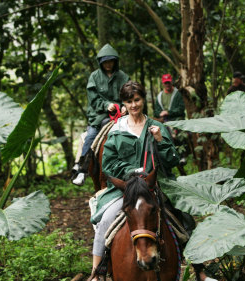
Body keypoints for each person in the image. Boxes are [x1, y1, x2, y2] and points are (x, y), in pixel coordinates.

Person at [88, 81, 216, 281]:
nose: (134, 105)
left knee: (183, 217)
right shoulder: (116, 130)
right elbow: (108, 165)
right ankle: (97, 272)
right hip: (126, 189)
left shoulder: (157, 127)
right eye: (129, 101)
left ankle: (200, 271)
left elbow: (172, 160)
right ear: (124, 103)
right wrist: (133, 173)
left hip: (155, 185)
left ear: (143, 100)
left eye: (137, 100)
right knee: (106, 220)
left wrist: (160, 140)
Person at [72, 43, 130, 186]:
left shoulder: (123, 76)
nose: (108, 64)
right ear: (101, 63)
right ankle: (82, 169)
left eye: (111, 61)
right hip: (99, 115)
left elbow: (129, 94)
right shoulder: (94, 77)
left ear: (115, 61)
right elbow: (93, 99)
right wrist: (106, 105)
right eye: (105, 62)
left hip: (121, 114)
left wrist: (124, 105)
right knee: (91, 136)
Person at [154, 73, 188, 165]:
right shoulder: (159, 96)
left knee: (177, 135)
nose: (167, 85)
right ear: (163, 83)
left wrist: (169, 112)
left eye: (168, 83)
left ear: (171, 82)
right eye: (165, 83)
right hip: (163, 121)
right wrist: (160, 113)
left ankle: (182, 156)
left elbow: (181, 109)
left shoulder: (177, 94)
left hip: (176, 120)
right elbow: (156, 111)